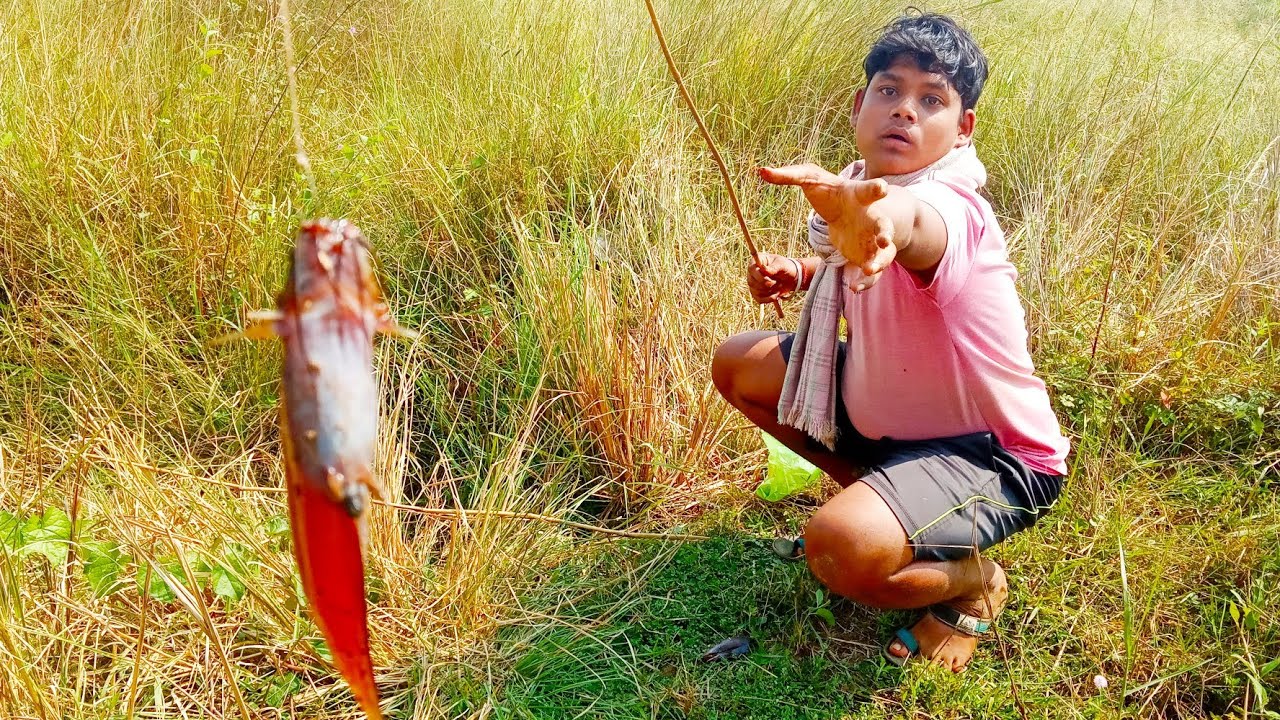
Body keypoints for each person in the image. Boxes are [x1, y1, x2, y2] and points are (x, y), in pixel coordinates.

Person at [711, 12, 1069, 671]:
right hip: (895, 424)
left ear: (963, 129)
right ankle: (888, 509)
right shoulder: (864, 191)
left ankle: (974, 582)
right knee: (740, 363)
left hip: (995, 457)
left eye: (931, 99)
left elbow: (909, 229)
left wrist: (877, 219)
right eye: (889, 90)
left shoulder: (951, 210)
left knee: (838, 549)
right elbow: (868, 256)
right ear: (859, 104)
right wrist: (803, 271)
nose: (904, 109)